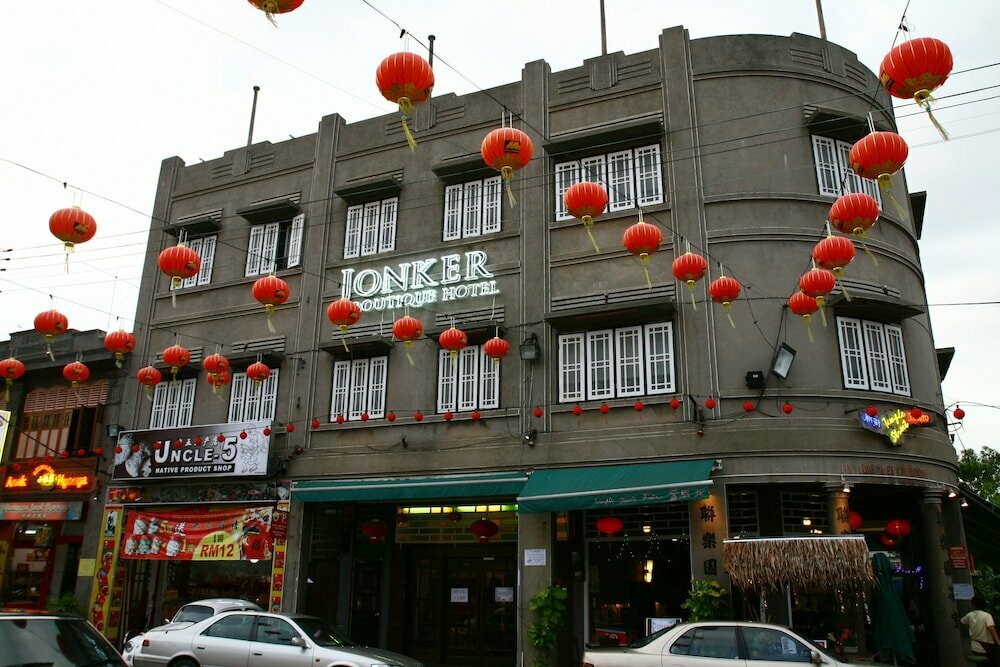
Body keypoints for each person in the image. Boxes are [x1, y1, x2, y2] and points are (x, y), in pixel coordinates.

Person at [961, 596, 1000, 665]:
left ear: (973, 605)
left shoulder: (969, 615)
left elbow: (963, 621)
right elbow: (991, 628)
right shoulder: (987, 616)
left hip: (975, 648)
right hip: (987, 648)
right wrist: (998, 643)